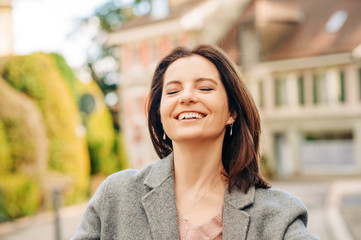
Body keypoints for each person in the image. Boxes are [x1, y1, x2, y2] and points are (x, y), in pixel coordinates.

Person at [72, 44, 319, 239]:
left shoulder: (278, 214)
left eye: (205, 88)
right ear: (160, 114)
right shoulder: (116, 196)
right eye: (172, 91)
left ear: (232, 111)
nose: (187, 97)